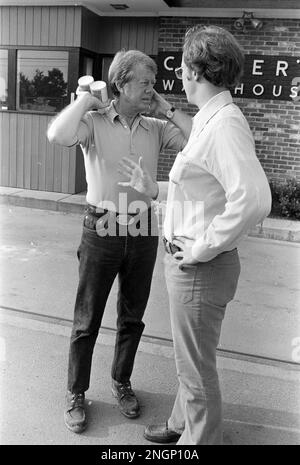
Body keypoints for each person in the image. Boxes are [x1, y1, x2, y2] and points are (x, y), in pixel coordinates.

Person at [121, 26, 272, 445]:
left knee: (196, 369)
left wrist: (204, 247)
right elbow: (205, 192)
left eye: (182, 67)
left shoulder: (224, 125)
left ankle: (197, 442)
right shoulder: (211, 119)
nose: (179, 75)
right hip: (190, 264)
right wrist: (156, 192)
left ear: (195, 71)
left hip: (200, 269)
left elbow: (254, 199)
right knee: (189, 360)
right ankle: (177, 425)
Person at [47, 49, 192, 434]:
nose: (152, 88)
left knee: (132, 317)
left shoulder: (155, 127)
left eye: (154, 82)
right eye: (145, 82)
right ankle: (76, 392)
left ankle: (121, 382)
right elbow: (57, 134)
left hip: (143, 229)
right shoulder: (92, 123)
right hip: (101, 228)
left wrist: (165, 105)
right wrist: (84, 102)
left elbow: (196, 140)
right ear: (121, 83)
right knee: (87, 318)